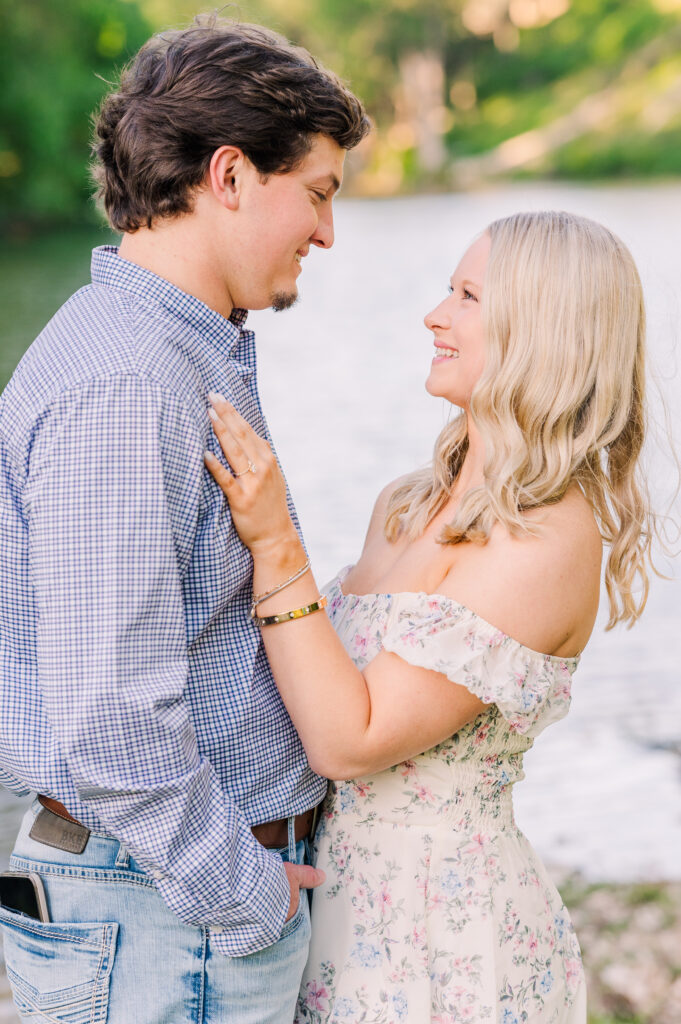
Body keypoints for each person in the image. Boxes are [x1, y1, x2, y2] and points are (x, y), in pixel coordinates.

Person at [0, 15, 368, 1024]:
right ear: (232, 176)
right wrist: (248, 896)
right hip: (167, 925)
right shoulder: (129, 381)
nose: (327, 233)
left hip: (167, 915)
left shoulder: (179, 350)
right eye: (320, 195)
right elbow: (113, 720)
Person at [205, 210, 657, 1022]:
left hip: (442, 941)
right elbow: (307, 679)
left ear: (539, 328)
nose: (434, 316)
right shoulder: (405, 505)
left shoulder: (551, 536)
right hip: (328, 909)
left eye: (467, 296)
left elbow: (350, 739)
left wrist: (274, 542)